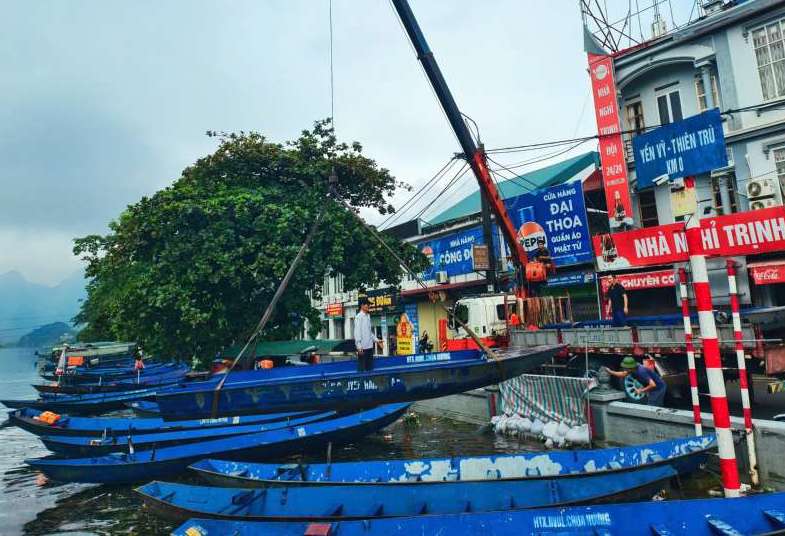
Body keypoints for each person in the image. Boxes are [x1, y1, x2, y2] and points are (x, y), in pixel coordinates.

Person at [354, 297, 381, 372]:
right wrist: (359, 346)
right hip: (363, 349)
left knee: (370, 369)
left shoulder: (368, 316)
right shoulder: (359, 317)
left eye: (369, 305)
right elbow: (357, 333)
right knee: (362, 370)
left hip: (369, 347)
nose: (369, 306)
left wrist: (377, 340)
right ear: (362, 305)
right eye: (367, 304)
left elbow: (369, 332)